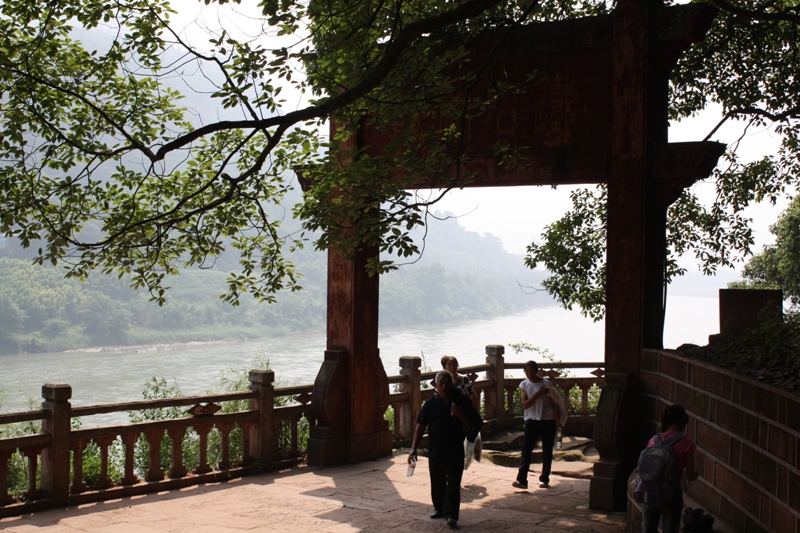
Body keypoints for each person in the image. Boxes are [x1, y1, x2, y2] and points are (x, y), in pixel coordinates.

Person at [409, 370, 483, 528]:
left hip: (454, 448)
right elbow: (420, 426)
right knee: (437, 481)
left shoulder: (461, 401)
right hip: (435, 448)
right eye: (441, 383)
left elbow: (475, 423)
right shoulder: (430, 404)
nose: (444, 386)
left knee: (454, 483)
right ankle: (439, 508)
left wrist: (460, 414)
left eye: (447, 383)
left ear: (452, 385)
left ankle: (452, 514)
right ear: (435, 385)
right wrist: (413, 449)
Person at [642, 404, 698, 533]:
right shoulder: (686, 444)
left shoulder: (654, 440)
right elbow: (690, 476)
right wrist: (696, 474)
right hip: (671, 493)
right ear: (683, 420)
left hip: (650, 491)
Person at [512, 360, 560, 490]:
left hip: (547, 420)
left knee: (547, 450)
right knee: (526, 450)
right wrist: (538, 394)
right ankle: (521, 479)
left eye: (532, 371)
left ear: (537, 371)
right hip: (531, 420)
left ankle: (544, 478)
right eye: (527, 371)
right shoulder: (524, 384)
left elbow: (555, 403)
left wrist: (558, 421)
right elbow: (525, 404)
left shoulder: (546, 384)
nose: (529, 374)